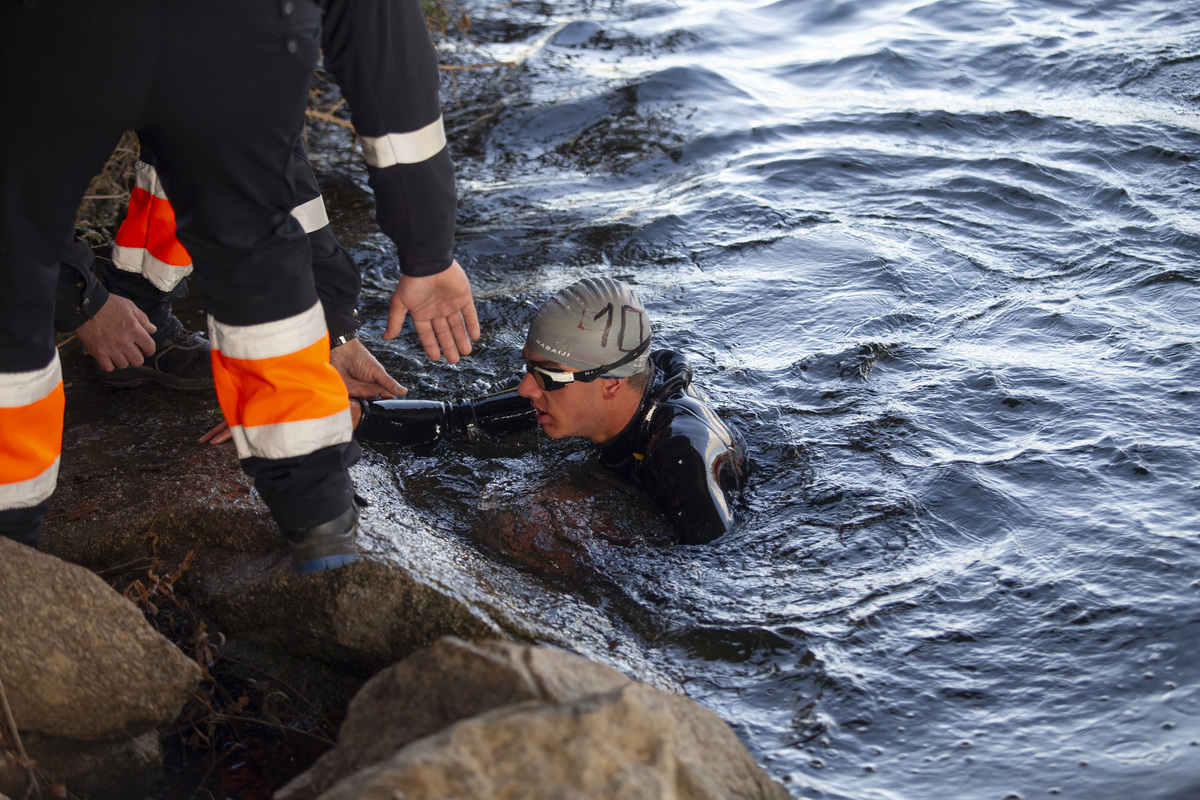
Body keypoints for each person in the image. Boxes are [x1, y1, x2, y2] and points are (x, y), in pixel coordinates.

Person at [0, 0, 475, 575]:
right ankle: (320, 519)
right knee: (254, 249)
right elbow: (389, 77)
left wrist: (336, 327)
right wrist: (426, 253)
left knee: (13, 257)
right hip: (232, 28)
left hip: (54, 31)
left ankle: (12, 545)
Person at [351, 278, 751, 545]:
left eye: (546, 375)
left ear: (611, 383)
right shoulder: (570, 394)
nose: (526, 388)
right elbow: (458, 421)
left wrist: (605, 534)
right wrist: (358, 418)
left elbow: (710, 563)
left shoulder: (682, 452)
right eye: (528, 368)